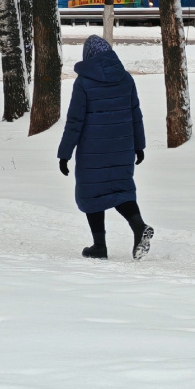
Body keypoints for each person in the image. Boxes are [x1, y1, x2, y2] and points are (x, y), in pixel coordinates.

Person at [57, 35, 153, 260]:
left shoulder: (84, 82)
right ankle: (139, 226)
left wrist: (64, 154)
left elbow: (75, 122)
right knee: (121, 189)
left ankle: (99, 245)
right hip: (123, 148)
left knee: (91, 192)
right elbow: (135, 115)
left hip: (93, 151)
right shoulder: (126, 79)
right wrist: (139, 146)